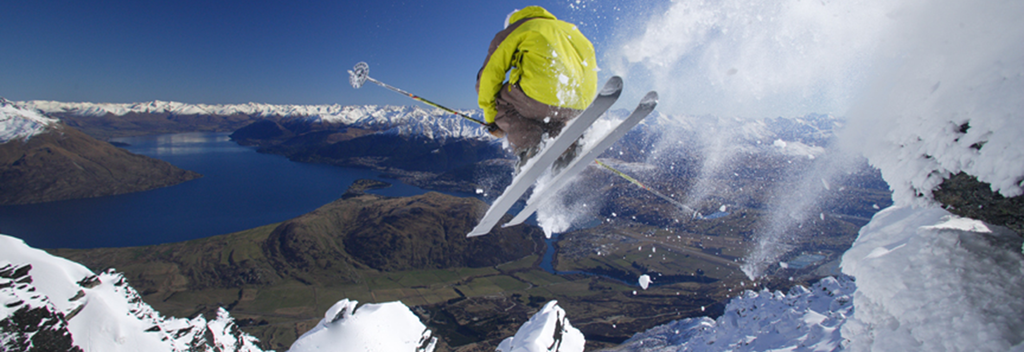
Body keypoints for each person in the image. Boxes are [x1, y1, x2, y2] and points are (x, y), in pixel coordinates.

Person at [476, 6, 598, 172]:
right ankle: (569, 147)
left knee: (504, 100)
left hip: (541, 96)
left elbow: (489, 76)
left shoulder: (516, 29)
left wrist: (491, 119)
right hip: (579, 102)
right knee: (550, 116)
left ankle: (528, 148)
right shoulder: (570, 30)